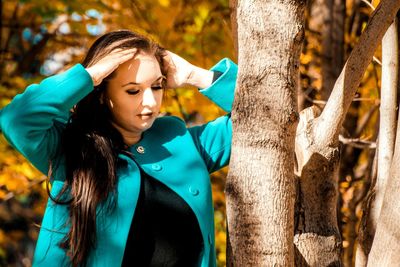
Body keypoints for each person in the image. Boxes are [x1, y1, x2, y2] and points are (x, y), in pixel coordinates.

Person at [0, 30, 237, 267]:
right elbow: (16, 119)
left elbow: (261, 121)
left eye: (157, 86)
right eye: (133, 90)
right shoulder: (70, 149)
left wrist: (195, 75)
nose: (151, 102)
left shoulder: (180, 142)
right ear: (102, 94)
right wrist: (89, 76)